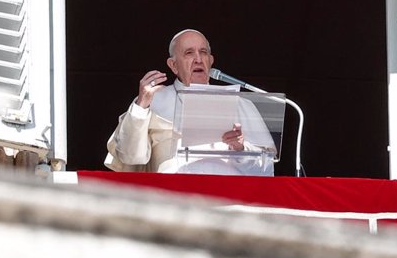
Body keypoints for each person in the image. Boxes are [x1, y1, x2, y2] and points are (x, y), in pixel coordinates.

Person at [105, 29, 275, 175]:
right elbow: (130, 157)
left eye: (203, 52)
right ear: (173, 65)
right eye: (189, 53)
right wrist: (141, 107)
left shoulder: (241, 104)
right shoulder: (154, 100)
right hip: (173, 201)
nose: (198, 59)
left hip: (227, 204)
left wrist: (241, 149)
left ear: (211, 61)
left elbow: (266, 170)